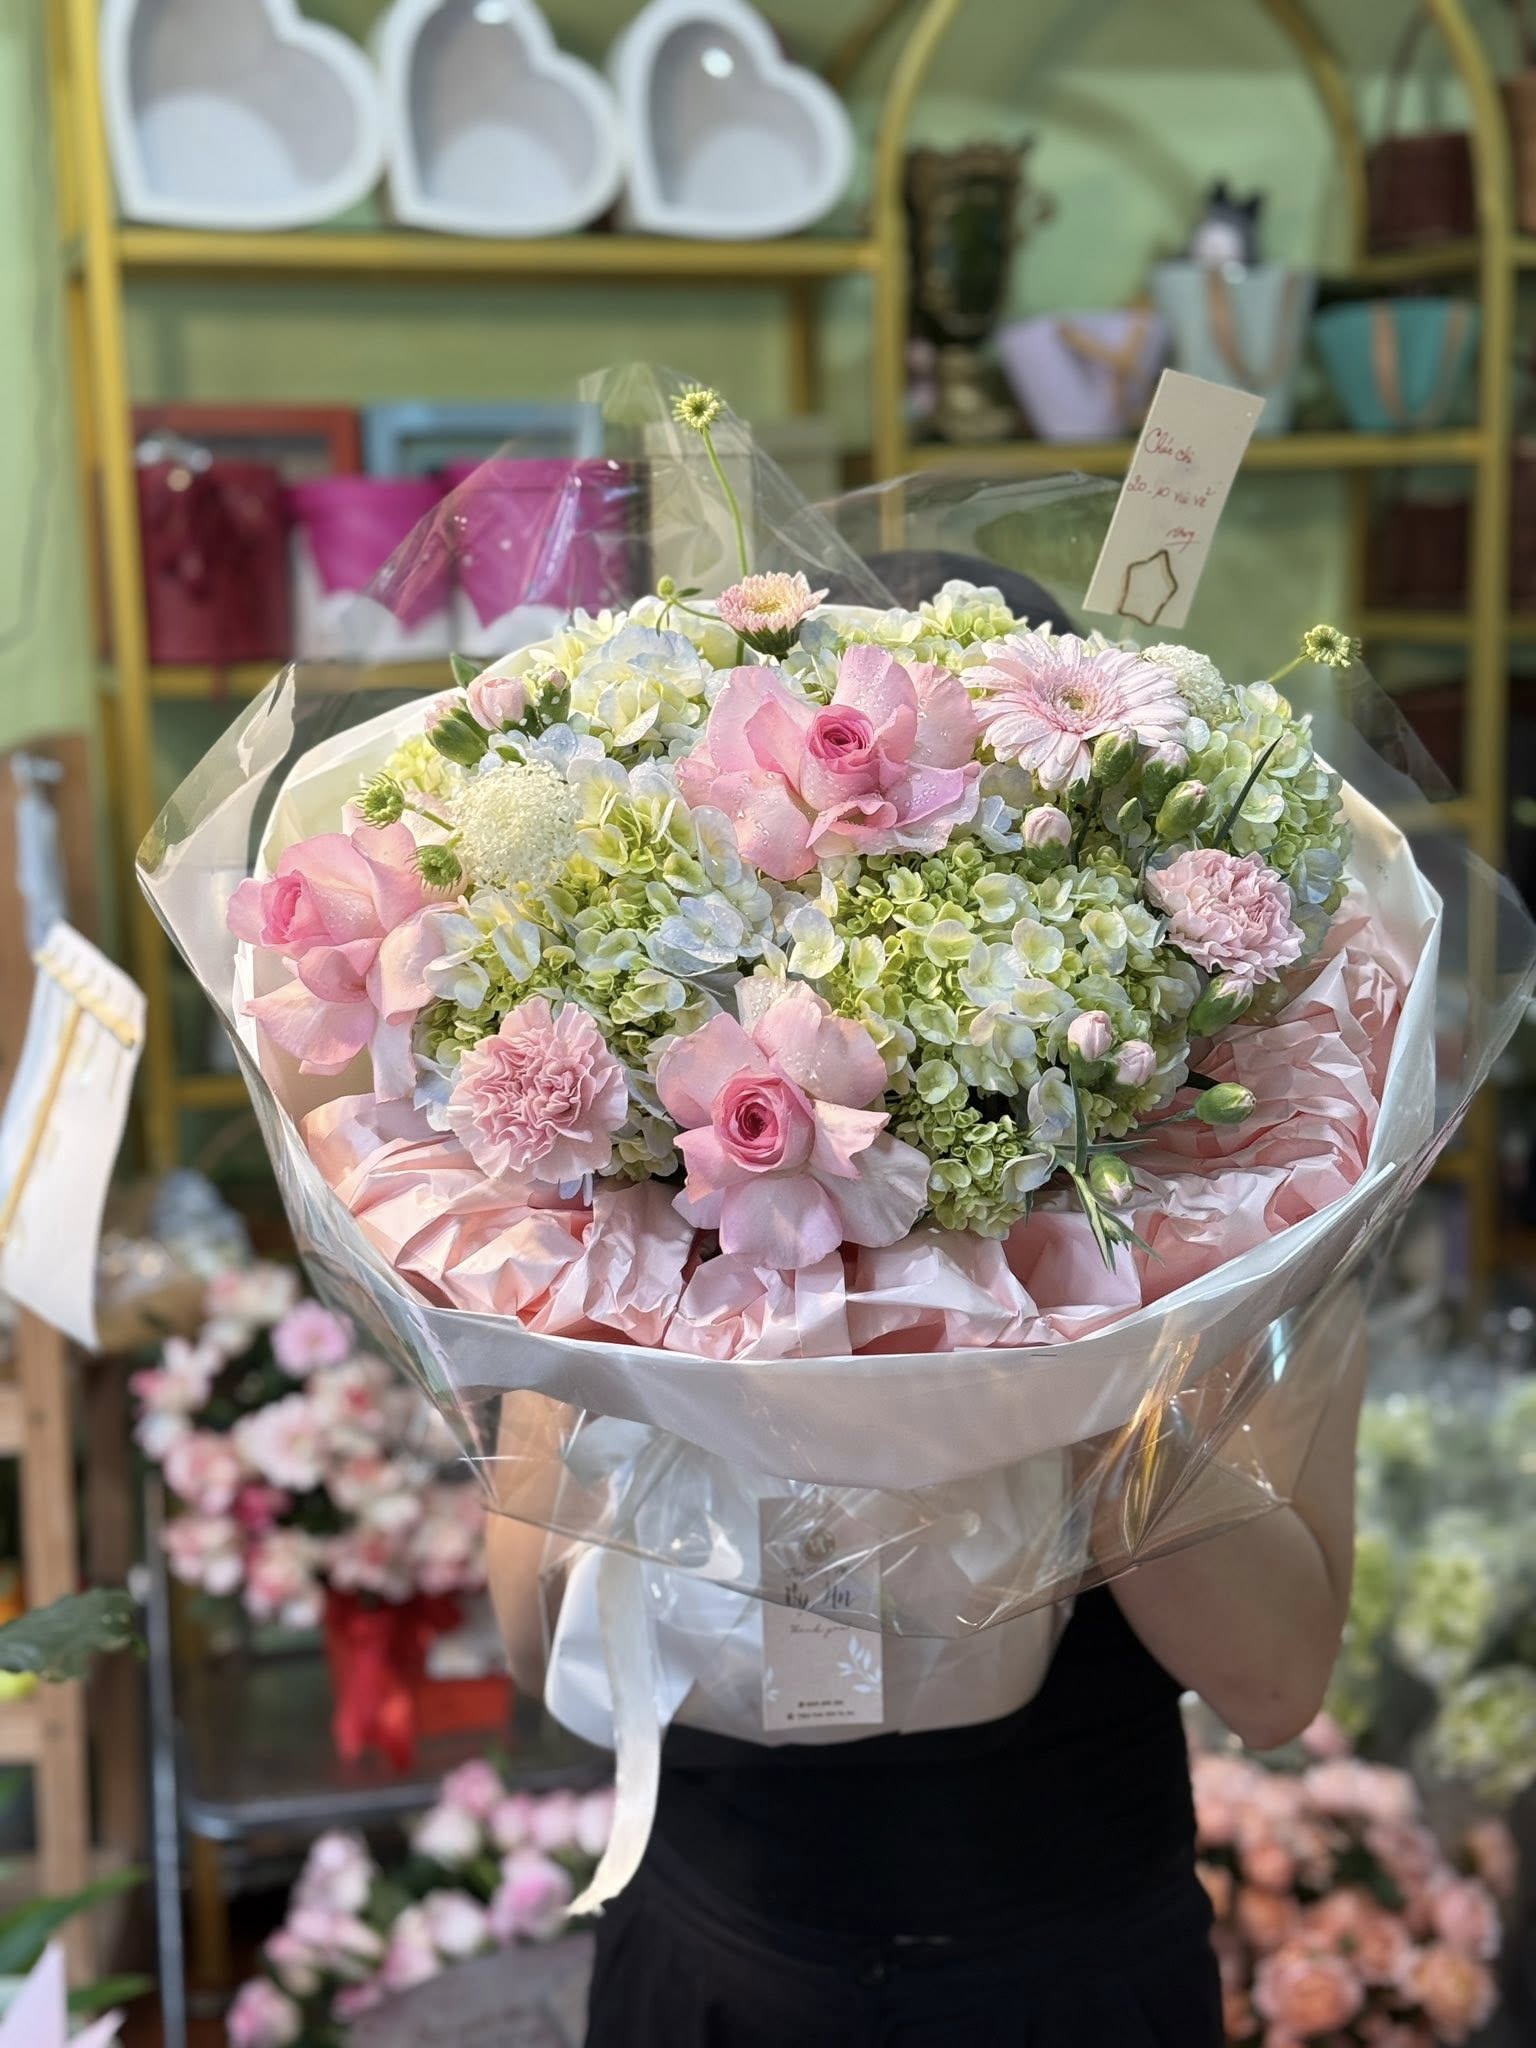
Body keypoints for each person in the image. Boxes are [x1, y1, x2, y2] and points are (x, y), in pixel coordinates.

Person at [485, 557, 1372, 2047]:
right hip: (712, 1949)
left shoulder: (1240, 1191)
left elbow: (1274, 1680)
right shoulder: (645, 1197)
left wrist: (1047, 1311)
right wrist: (677, 1288)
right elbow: (532, 1632)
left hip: (1071, 1965)